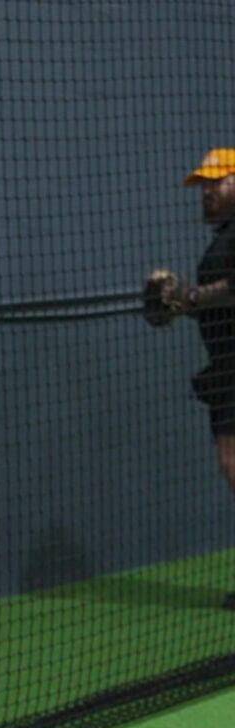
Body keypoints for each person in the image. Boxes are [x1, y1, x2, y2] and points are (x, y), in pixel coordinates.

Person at [146, 148, 235, 608]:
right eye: (203, 186)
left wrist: (191, 296)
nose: (207, 194)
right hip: (225, 370)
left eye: (216, 183)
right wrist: (178, 305)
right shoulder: (222, 238)